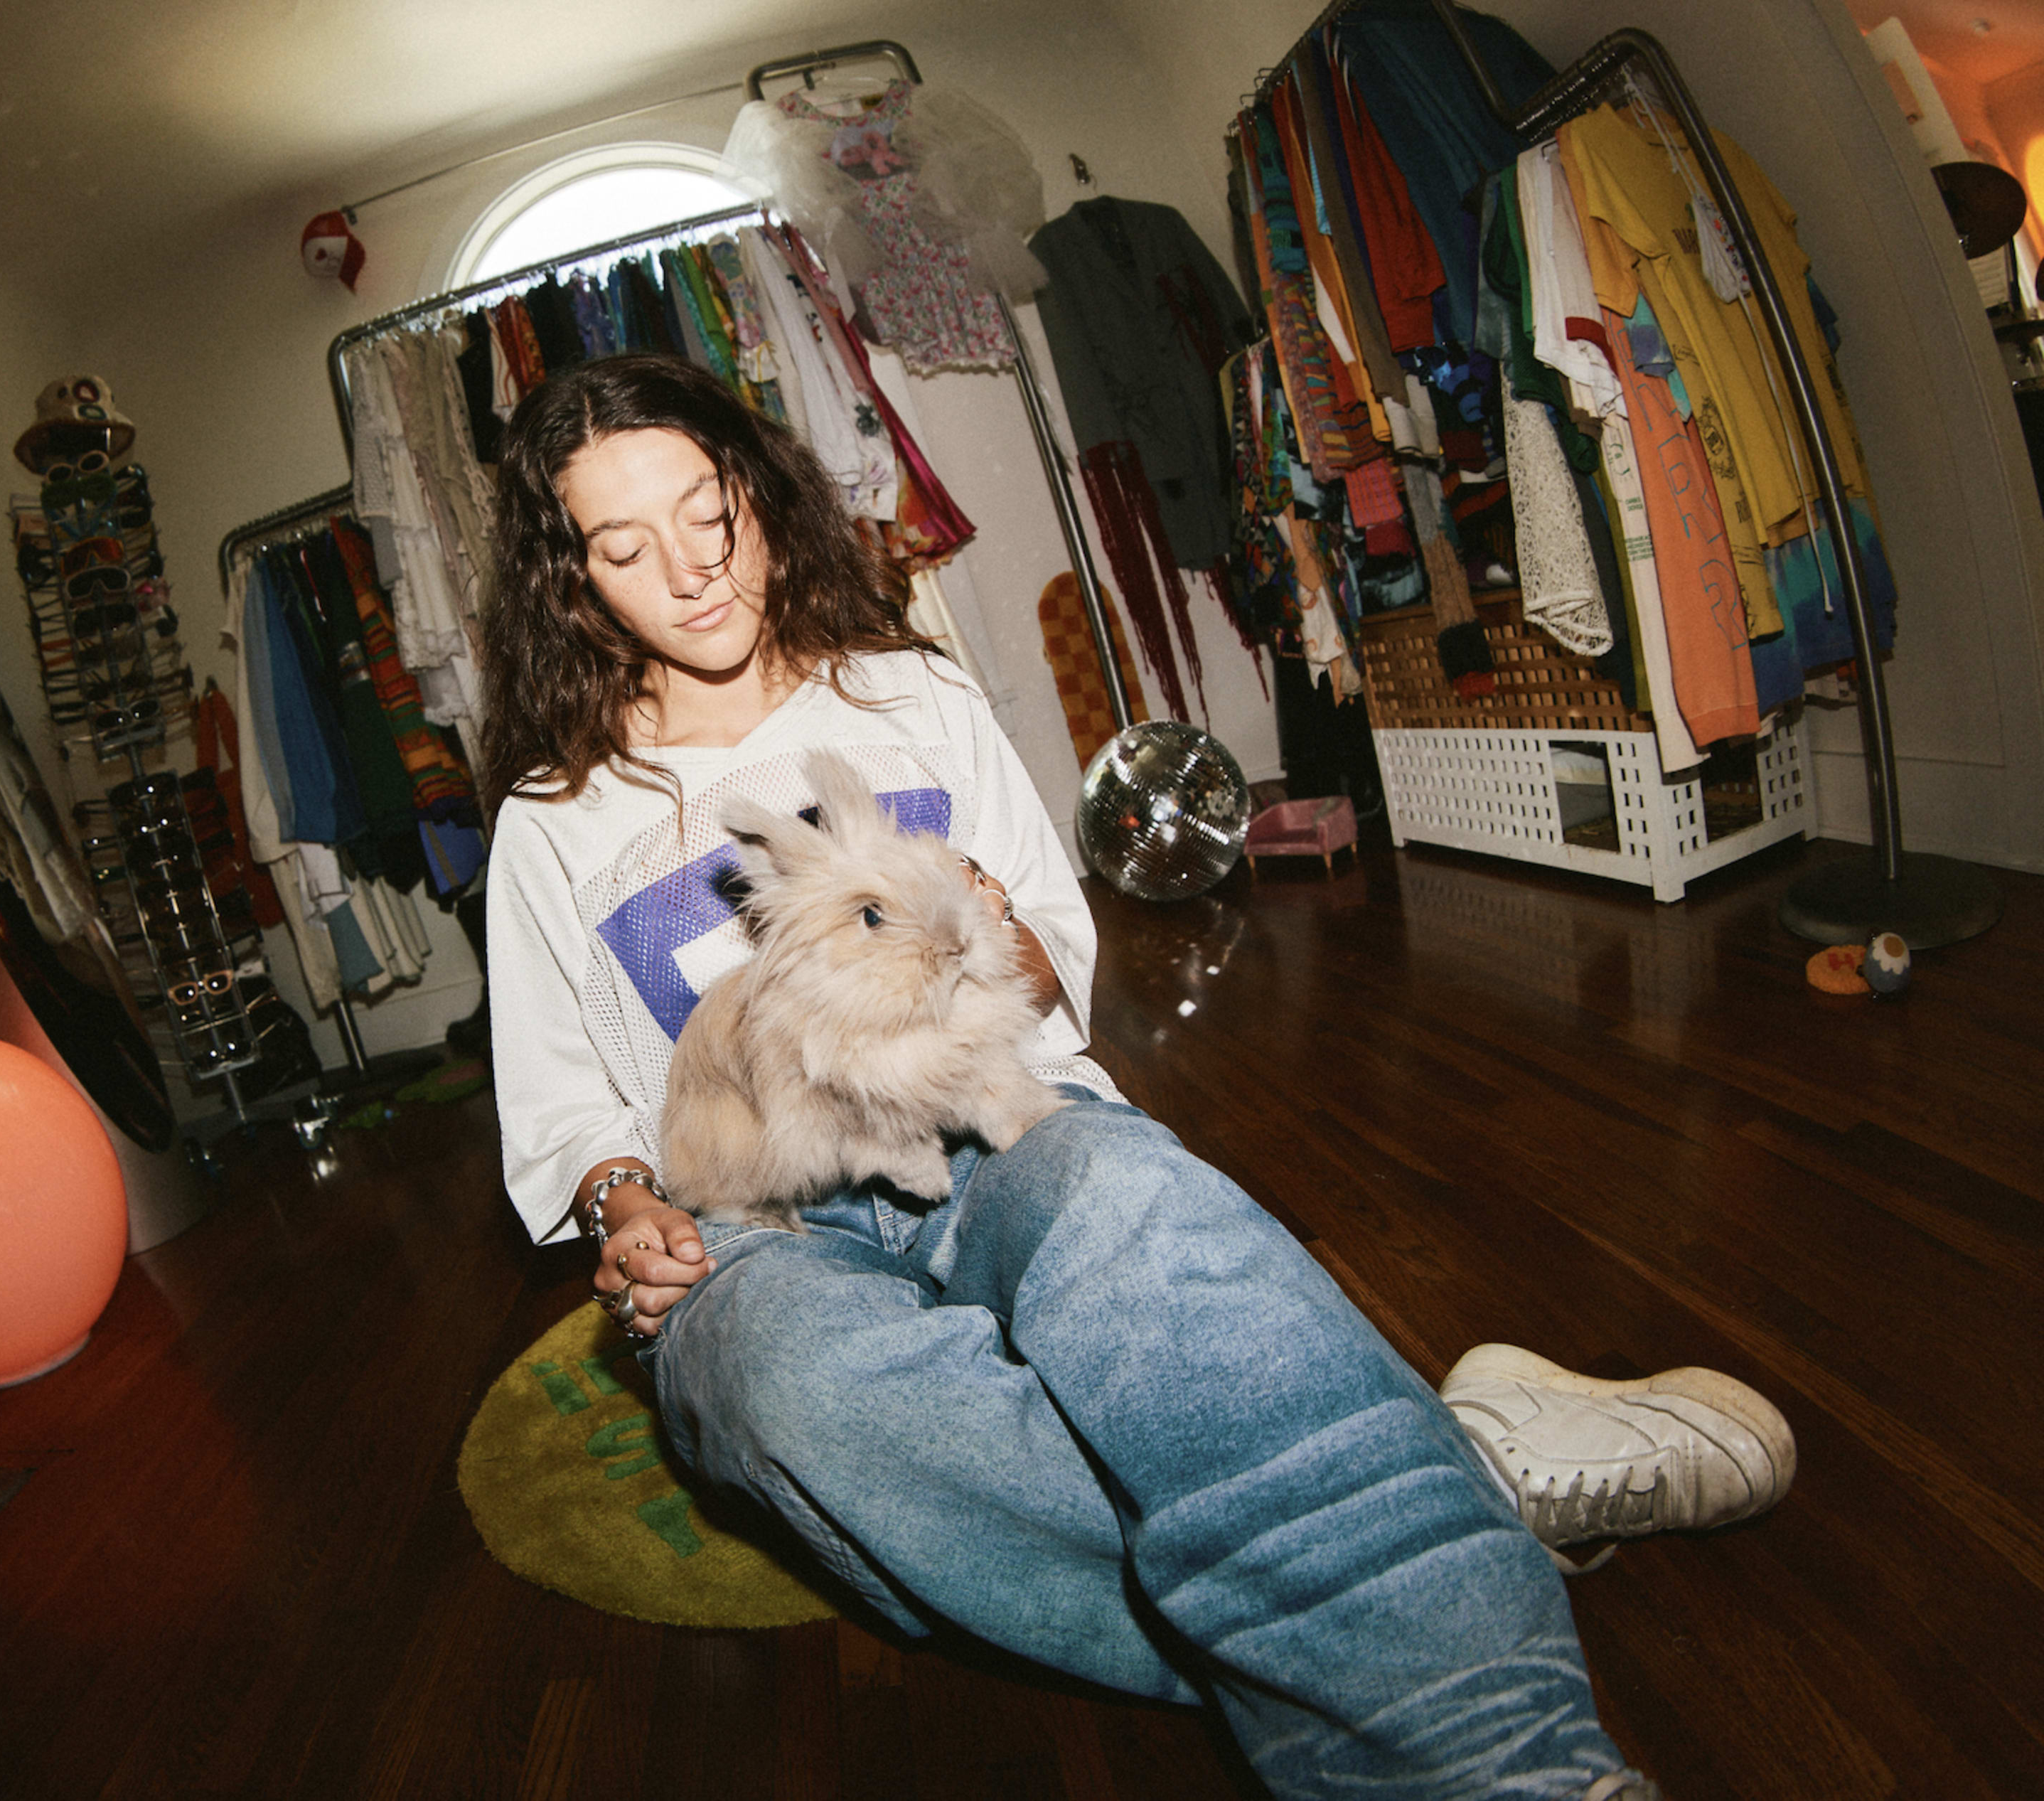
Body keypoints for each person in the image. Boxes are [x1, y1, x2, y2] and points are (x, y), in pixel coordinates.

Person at [478, 353, 1793, 1800]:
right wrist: (625, 1210)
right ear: (571, 577)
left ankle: (1498, 1771)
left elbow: (1056, 961)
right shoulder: (552, 823)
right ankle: (1455, 1489)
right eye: (623, 546)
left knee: (1140, 1223)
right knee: (796, 1392)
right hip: (755, 1215)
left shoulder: (910, 696)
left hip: (992, 1118)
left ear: (754, 494)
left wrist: (983, 931)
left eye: (705, 515)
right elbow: (568, 1114)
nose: (687, 572)